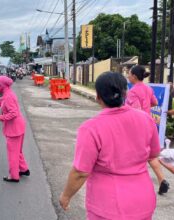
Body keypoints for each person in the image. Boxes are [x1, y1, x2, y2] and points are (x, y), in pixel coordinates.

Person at [59, 72, 160, 219]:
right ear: (125, 93)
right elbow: (154, 154)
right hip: (143, 200)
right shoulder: (146, 119)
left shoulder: (91, 128)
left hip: (108, 204)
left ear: (98, 96)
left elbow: (81, 172)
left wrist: (66, 196)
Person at [125, 65, 170, 195]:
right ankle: (162, 180)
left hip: (137, 127)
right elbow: (155, 103)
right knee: (151, 156)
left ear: (134, 76)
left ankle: (134, 185)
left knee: (133, 155)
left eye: (129, 74)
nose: (128, 76)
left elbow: (135, 111)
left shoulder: (133, 92)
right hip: (149, 125)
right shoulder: (148, 89)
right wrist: (146, 107)